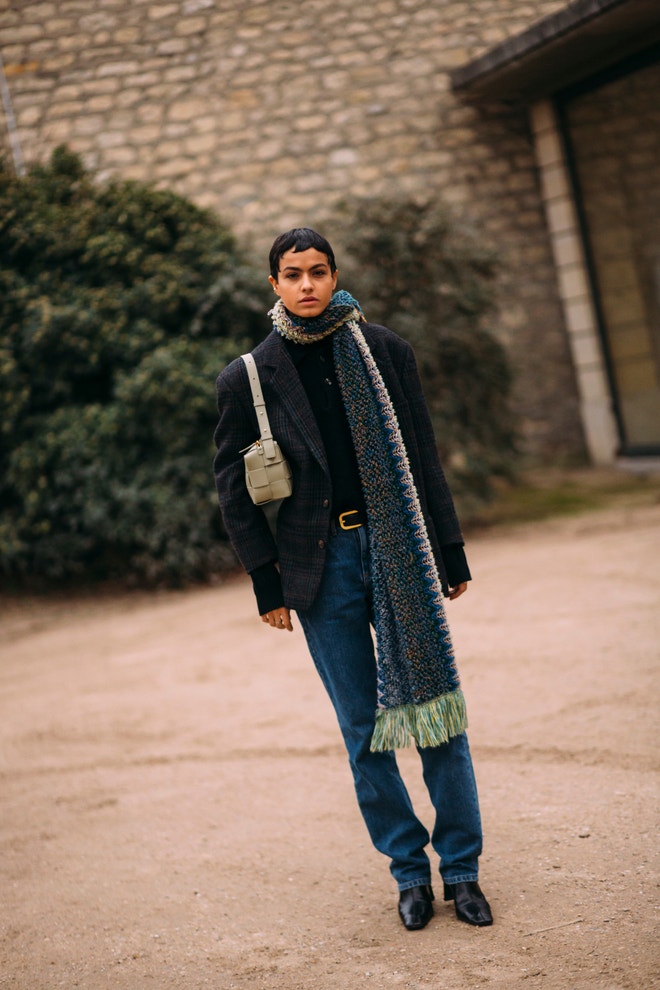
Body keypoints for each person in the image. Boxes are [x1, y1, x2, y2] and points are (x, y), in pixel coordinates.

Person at [213, 227, 492, 931]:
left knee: (435, 711)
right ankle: (408, 870)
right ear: (272, 285)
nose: (306, 284)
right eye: (292, 274)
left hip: (399, 550)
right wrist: (266, 584)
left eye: (318, 271)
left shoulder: (386, 352)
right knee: (363, 728)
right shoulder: (250, 375)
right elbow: (232, 489)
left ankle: (461, 871)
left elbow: (423, 455)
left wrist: (450, 551)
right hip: (320, 567)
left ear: (335, 276)